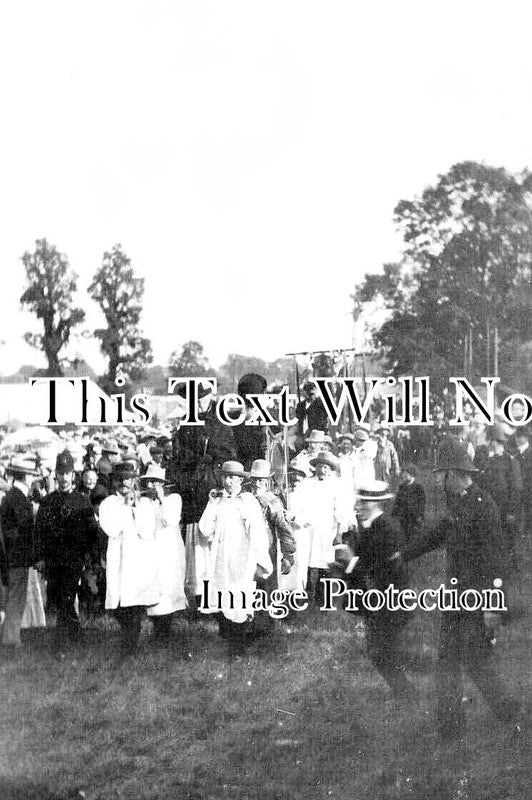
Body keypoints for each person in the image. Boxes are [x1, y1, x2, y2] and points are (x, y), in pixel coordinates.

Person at [394, 438, 521, 739]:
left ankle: (510, 713)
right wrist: (405, 554)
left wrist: (493, 606)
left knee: (476, 662)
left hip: (477, 599)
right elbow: (438, 532)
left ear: (454, 473)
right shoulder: (458, 502)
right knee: (448, 662)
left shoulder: (483, 507)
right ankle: (451, 730)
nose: (438, 481)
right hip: (455, 597)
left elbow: (496, 562)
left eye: (441, 475)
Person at [334, 480, 414, 697]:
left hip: (390, 601)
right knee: (380, 652)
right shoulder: (373, 527)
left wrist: (350, 562)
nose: (357, 507)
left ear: (378, 504)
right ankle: (404, 693)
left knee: (382, 653)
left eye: (363, 503)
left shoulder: (387, 528)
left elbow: (379, 570)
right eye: (358, 502)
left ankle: (406, 695)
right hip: (379, 602)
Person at [198, 461, 272, 655]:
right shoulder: (217, 501)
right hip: (221, 558)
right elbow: (205, 530)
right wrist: (212, 503)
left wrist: (260, 561)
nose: (228, 481)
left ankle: (238, 648)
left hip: (242, 557)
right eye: (225, 476)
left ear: (241, 479)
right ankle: (232, 638)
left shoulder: (247, 501)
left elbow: (257, 533)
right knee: (219, 598)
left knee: (239, 599)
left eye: (233, 477)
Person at [35, 450, 100, 653]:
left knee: (66, 598)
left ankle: (59, 646)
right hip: (53, 561)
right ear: (55, 474)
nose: (64, 478)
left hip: (74, 559)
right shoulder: (48, 502)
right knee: (61, 600)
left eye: (67, 473)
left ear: (73, 475)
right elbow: (40, 531)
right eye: (60, 473)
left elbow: (92, 532)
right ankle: (76, 634)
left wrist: (91, 557)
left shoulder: (82, 501)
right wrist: (39, 557)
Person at [98, 461, 161, 656]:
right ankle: (129, 636)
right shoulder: (108, 503)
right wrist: (126, 506)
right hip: (118, 559)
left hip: (138, 559)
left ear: (134, 481)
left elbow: (147, 530)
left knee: (136, 602)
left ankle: (131, 644)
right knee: (120, 605)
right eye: (120, 479)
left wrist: (135, 507)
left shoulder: (145, 504)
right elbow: (112, 529)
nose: (124, 483)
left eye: (128, 479)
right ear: (114, 482)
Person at [139, 464, 187, 643]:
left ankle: (164, 630)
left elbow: (170, 519)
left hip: (169, 550)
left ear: (163, 485)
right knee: (153, 588)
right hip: (151, 550)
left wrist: (161, 500)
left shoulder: (174, 499)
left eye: (156, 482)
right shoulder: (144, 502)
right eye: (149, 482)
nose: (152, 486)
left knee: (168, 587)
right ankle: (157, 628)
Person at [248, 459, 295, 637]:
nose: (257, 483)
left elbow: (285, 530)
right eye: (254, 479)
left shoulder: (273, 501)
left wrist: (288, 555)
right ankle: (247, 621)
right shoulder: (246, 498)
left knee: (266, 584)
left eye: (261, 480)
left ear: (268, 480)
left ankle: (265, 626)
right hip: (248, 546)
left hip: (267, 546)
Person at [0, 458, 40, 650]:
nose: (33, 479)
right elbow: (24, 529)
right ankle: (10, 639)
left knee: (13, 597)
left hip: (11, 556)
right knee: (16, 598)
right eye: (32, 475)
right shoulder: (18, 497)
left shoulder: (12, 495)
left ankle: (10, 636)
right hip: (17, 557)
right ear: (25, 476)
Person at [392, 463, 425, 544]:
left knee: (414, 533)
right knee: (405, 531)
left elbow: (422, 502)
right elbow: (398, 500)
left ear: (412, 474)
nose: (404, 475)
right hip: (404, 515)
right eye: (403, 474)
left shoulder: (418, 487)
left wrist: (420, 514)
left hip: (415, 515)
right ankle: (406, 545)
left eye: (406, 474)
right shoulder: (402, 487)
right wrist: (395, 511)